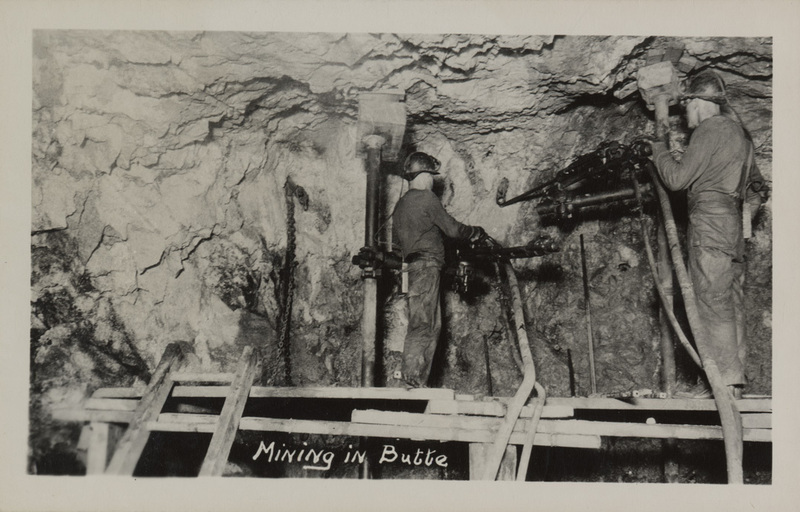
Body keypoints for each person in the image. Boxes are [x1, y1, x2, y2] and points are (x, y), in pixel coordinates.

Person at [650, 70, 768, 398]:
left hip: (710, 224)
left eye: (688, 103)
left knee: (711, 300)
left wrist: (657, 150)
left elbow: (676, 179)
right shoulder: (741, 137)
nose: (686, 111)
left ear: (701, 103)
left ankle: (721, 383)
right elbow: (757, 188)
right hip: (732, 227)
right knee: (731, 301)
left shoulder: (708, 130)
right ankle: (734, 383)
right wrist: (744, 218)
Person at [392, 151, 488, 388]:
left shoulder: (401, 204)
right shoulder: (426, 198)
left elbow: (399, 240)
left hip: (412, 267)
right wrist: (474, 231)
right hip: (426, 267)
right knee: (425, 324)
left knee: (428, 323)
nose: (434, 180)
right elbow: (453, 229)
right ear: (424, 175)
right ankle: (412, 379)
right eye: (431, 175)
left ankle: (415, 379)